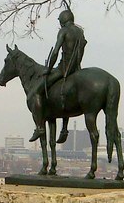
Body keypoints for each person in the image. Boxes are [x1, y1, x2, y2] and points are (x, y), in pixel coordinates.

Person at [29, 8, 87, 143]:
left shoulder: (64, 31)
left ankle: (39, 127)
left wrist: (48, 69)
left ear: (63, 20)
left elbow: (55, 52)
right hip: (76, 68)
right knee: (66, 95)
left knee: (37, 92)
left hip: (63, 68)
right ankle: (64, 129)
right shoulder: (80, 32)